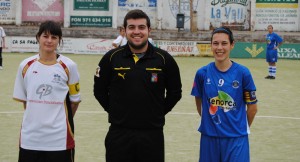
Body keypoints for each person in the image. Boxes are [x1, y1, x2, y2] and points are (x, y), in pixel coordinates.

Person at [94, 9, 182, 162]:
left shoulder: (164, 59)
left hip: (152, 134)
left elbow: (175, 93)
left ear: (149, 30)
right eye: (132, 27)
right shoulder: (111, 58)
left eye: (141, 27)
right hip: (119, 133)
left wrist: (157, 111)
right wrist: (116, 111)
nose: (136, 32)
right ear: (125, 30)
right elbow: (99, 91)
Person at [13, 20, 81, 162]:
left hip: (59, 140)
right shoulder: (25, 66)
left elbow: (74, 102)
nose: (49, 41)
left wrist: (59, 123)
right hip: (30, 139)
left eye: (54, 37)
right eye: (45, 36)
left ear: (59, 40)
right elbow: (26, 103)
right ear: (38, 37)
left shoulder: (69, 66)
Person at [191, 27, 258, 162]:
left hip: (236, 139)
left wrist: (238, 128)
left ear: (232, 45)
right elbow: (199, 102)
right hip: (209, 138)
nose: (219, 48)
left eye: (224, 43)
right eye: (215, 43)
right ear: (211, 45)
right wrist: (211, 122)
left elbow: (253, 108)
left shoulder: (243, 73)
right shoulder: (202, 74)